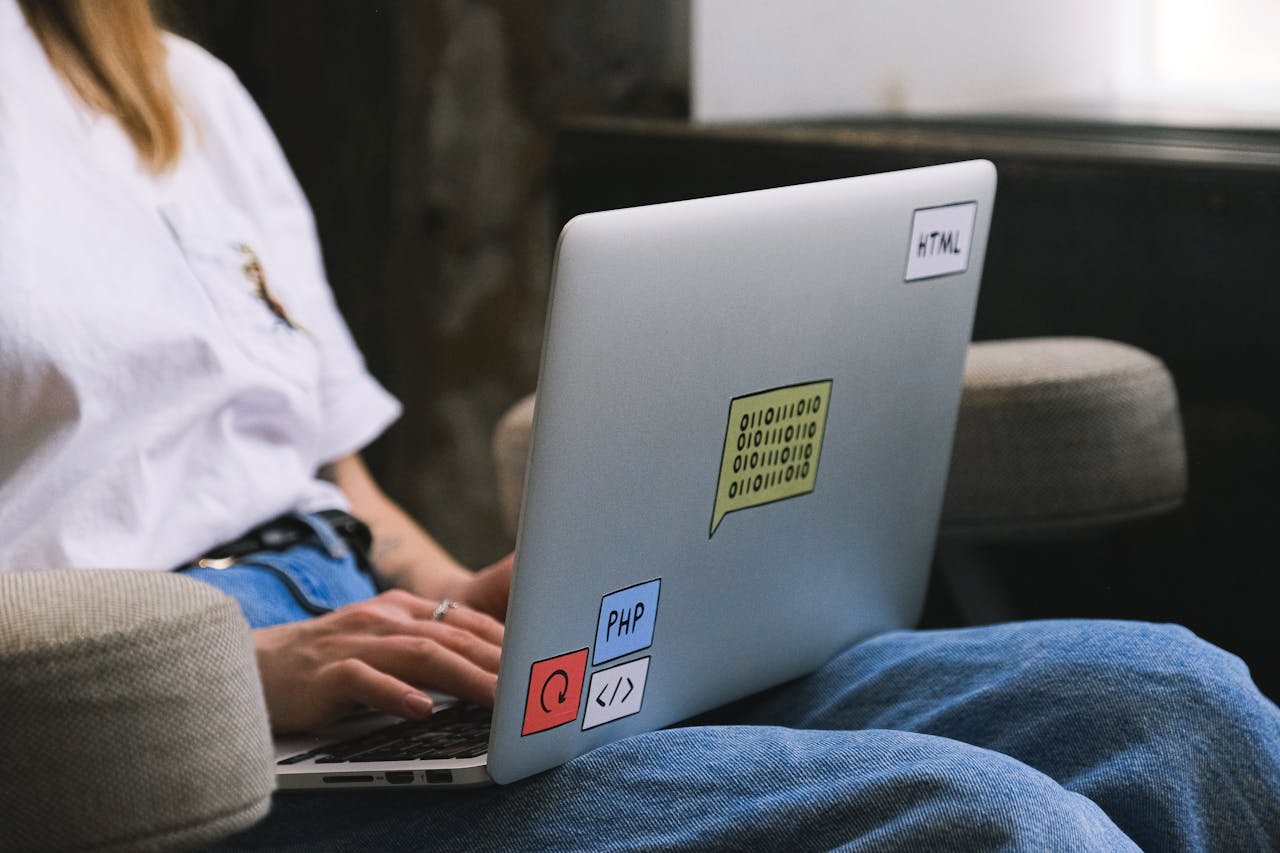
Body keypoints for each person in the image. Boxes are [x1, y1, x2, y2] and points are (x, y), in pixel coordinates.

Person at [1, 1, 1276, 849]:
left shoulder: (177, 90)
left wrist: (478, 601)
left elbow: (335, 474)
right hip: (154, 716)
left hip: (381, 651)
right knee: (975, 817)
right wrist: (242, 664)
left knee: (1179, 697)